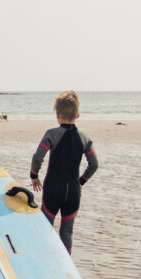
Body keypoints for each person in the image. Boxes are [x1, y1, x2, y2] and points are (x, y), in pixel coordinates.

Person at [30, 90, 99, 254]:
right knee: (67, 232)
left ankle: (44, 259)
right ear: (78, 115)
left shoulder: (51, 134)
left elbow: (38, 157)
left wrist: (34, 175)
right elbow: (94, 164)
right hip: (73, 191)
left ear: (57, 114)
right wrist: (81, 181)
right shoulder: (85, 138)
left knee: (45, 228)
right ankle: (66, 265)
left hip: (53, 188)